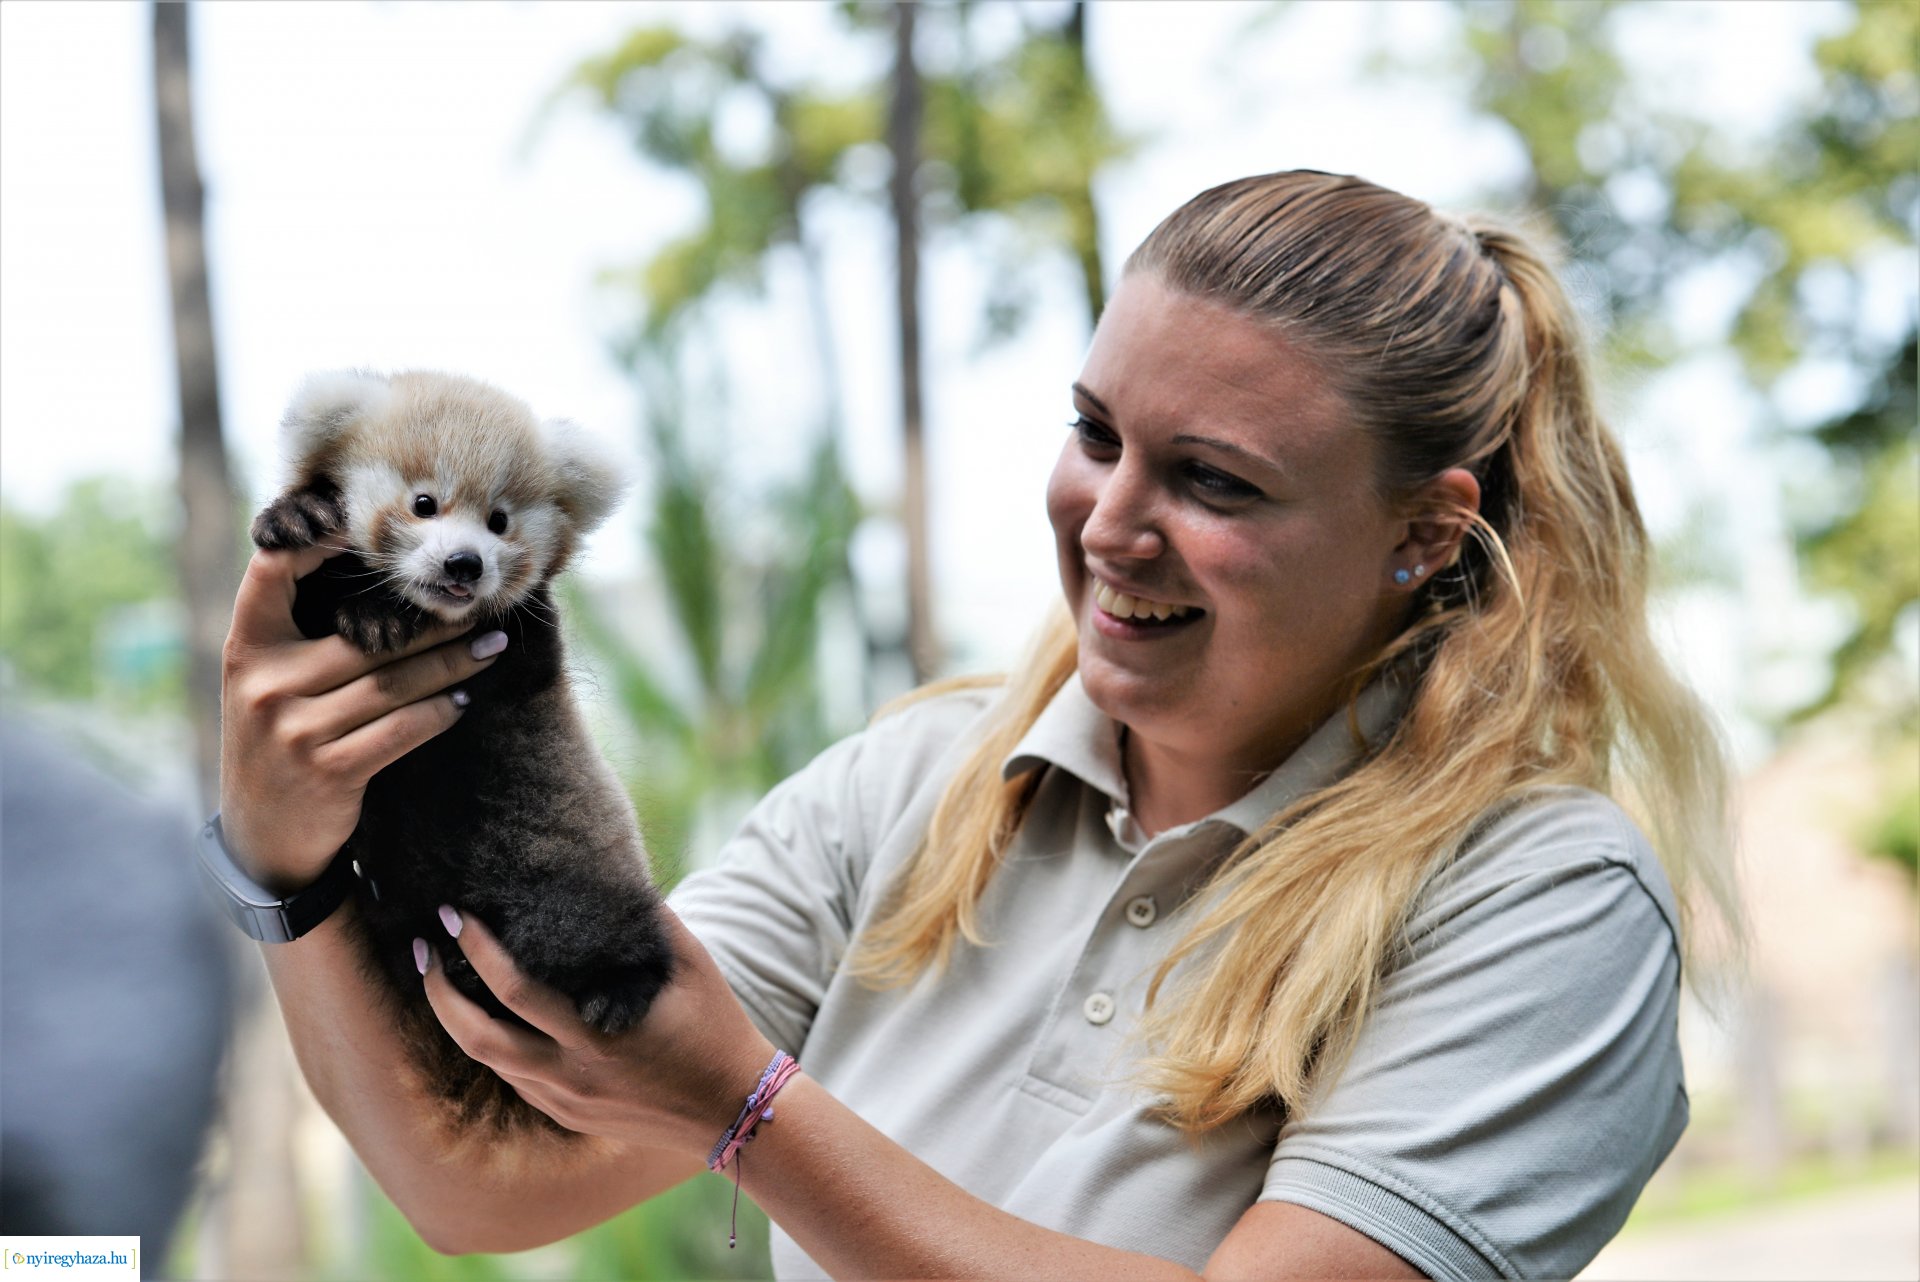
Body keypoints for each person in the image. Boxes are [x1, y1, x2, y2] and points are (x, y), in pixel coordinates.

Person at [216, 170, 1742, 1280]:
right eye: (1095, 434)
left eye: (1214, 480)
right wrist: (289, 865)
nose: (1111, 522)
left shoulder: (1544, 894)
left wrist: (750, 1113)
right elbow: (482, 1176)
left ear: (1423, 531)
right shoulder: (912, 786)